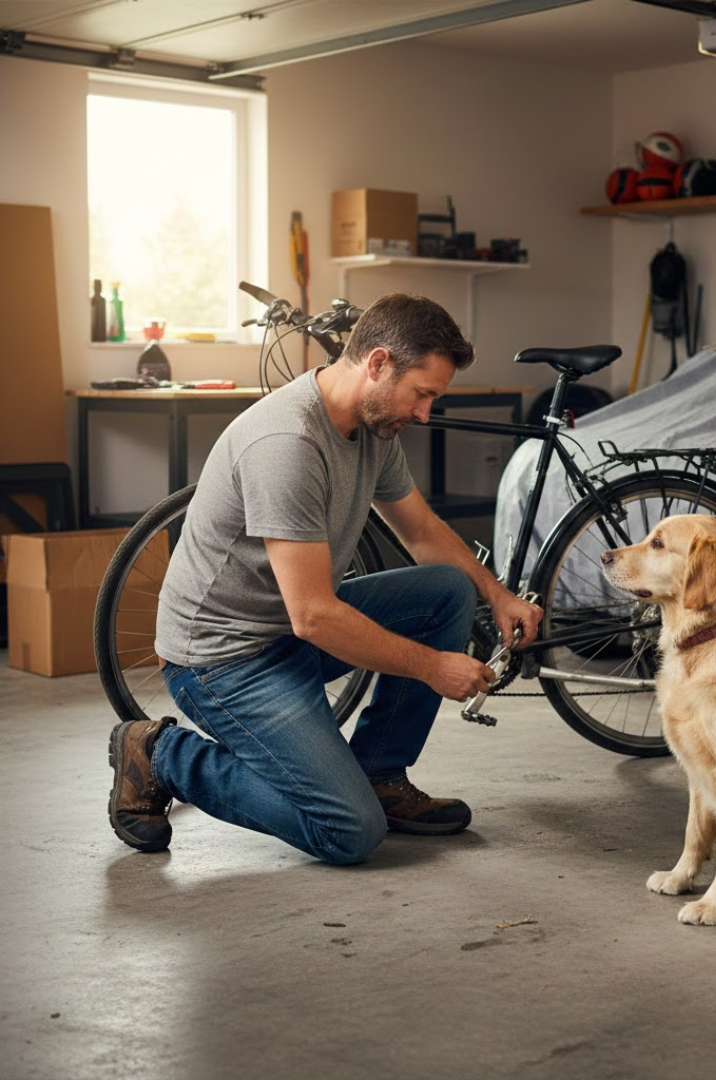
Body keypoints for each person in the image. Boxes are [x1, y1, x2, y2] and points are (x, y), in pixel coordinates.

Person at [107, 293, 542, 864]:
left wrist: (499, 595)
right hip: (223, 662)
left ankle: (380, 774)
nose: (424, 414)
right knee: (348, 831)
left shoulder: (372, 426)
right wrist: (433, 666)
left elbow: (422, 531)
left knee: (448, 590)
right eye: (423, 393)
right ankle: (160, 754)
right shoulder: (286, 444)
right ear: (379, 364)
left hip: (285, 635)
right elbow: (313, 615)